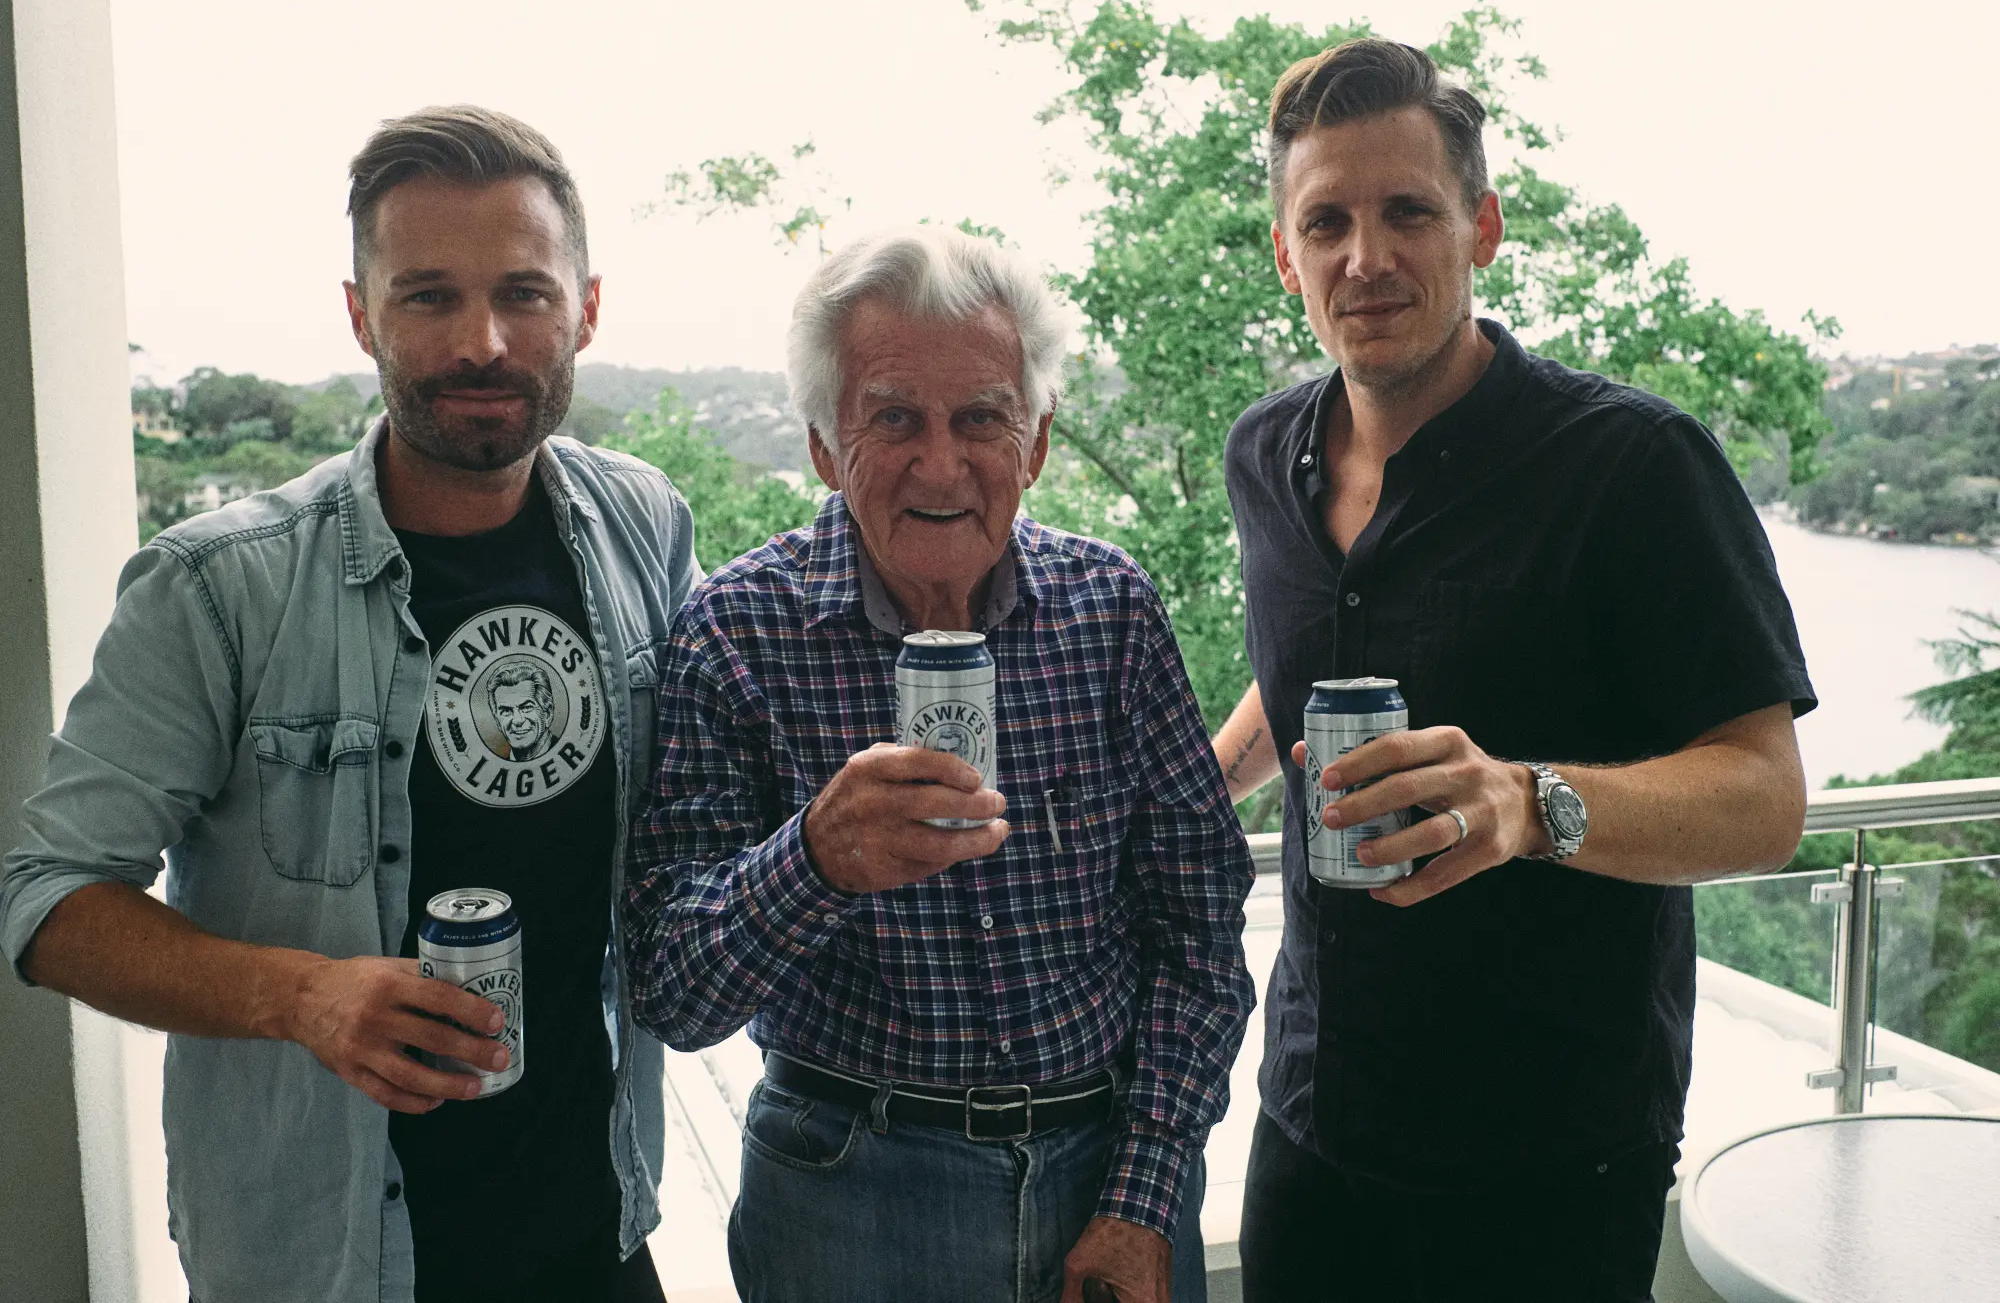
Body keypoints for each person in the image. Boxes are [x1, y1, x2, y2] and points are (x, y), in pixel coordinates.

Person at [0, 106, 696, 1303]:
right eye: (427, 296)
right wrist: (305, 995)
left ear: (584, 308)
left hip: (596, 1229)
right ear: (359, 312)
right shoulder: (220, 587)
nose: (482, 340)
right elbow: (47, 896)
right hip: (325, 1261)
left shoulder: (642, 524)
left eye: (523, 294)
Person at [1209, 40, 1817, 1302]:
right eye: (1324, 221)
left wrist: (1526, 802)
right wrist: (1185, 796)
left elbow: (1765, 799)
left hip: (1548, 1156)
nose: (1363, 258)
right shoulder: (1261, 453)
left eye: (1407, 212)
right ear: (1285, 255)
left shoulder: (1631, 466)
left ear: (1481, 227)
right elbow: (1294, 670)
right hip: (1311, 1118)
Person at [624, 227, 1255, 1303]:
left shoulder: (1109, 611)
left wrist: (1144, 1198)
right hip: (844, 1194)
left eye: (980, 420)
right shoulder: (738, 630)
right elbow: (672, 991)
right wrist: (812, 861)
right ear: (825, 445)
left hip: (1100, 1171)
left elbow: (1198, 933)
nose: (940, 463)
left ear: (1036, 441)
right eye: (892, 419)